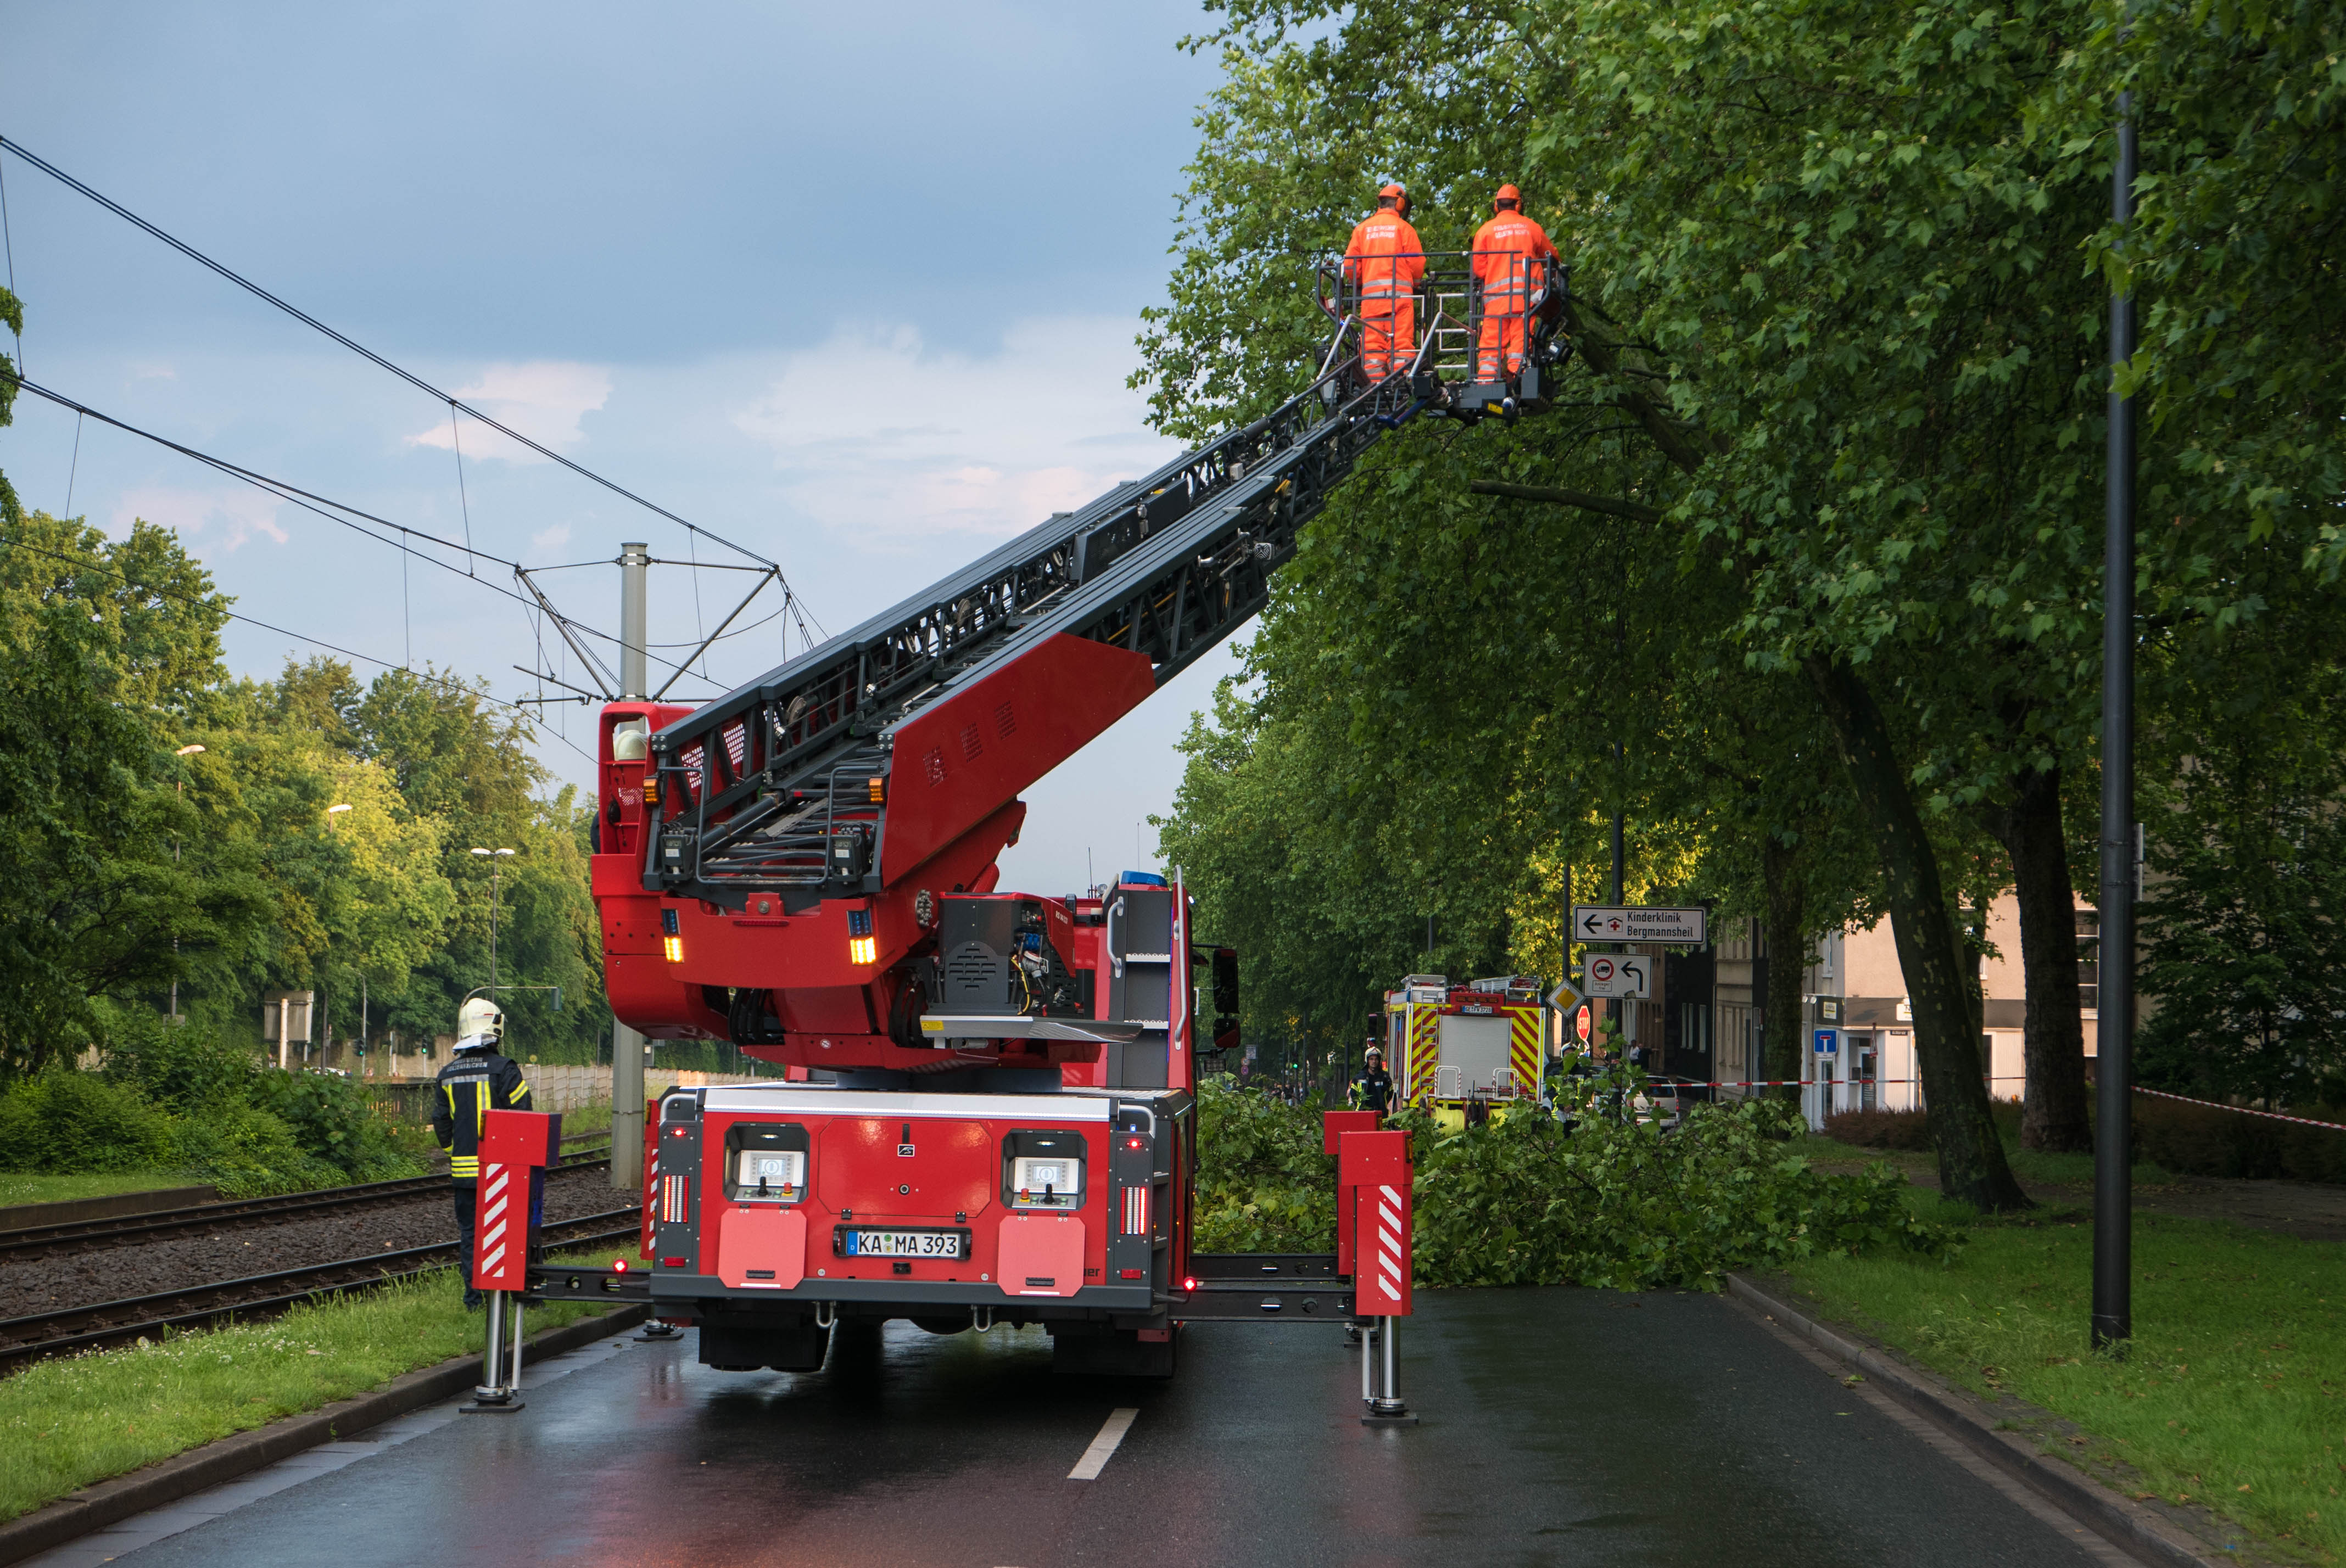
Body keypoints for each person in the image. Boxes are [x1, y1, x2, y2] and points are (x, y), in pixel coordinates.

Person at [432, 998, 533, 1309]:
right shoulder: (505, 1069)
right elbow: (524, 1116)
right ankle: (517, 1294)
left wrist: (455, 1152)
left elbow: (441, 1122)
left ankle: (474, 1299)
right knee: (513, 1233)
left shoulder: (446, 1074)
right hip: (503, 1171)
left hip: (464, 1175)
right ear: (495, 1029)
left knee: (471, 1236)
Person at [1470, 183, 1557, 382]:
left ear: (1496, 206)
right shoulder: (1531, 227)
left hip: (1495, 300)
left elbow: (1478, 268)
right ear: (1519, 205)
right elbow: (1552, 256)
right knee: (1521, 338)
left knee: (1491, 340)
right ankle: (1517, 376)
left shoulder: (1485, 231)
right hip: (1526, 299)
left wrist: (1494, 274)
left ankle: (1486, 378)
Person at [1343, 183, 1426, 382]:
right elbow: (1417, 264)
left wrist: (1361, 281)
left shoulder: (1362, 230)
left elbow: (1351, 267)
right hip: (1400, 299)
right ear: (1400, 204)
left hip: (1371, 301)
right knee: (1402, 343)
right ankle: (1403, 383)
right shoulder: (1404, 229)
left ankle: (1374, 387)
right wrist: (1415, 283)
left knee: (1372, 346)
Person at [1359, 1043, 1394, 1117]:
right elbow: (1354, 1094)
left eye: (1376, 1059)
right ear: (1367, 1061)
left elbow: (1390, 1093)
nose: (1374, 1062)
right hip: (1363, 1113)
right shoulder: (1360, 1077)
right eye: (1371, 1059)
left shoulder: (1385, 1078)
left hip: (1381, 1114)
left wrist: (1382, 1103)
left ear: (1379, 1061)